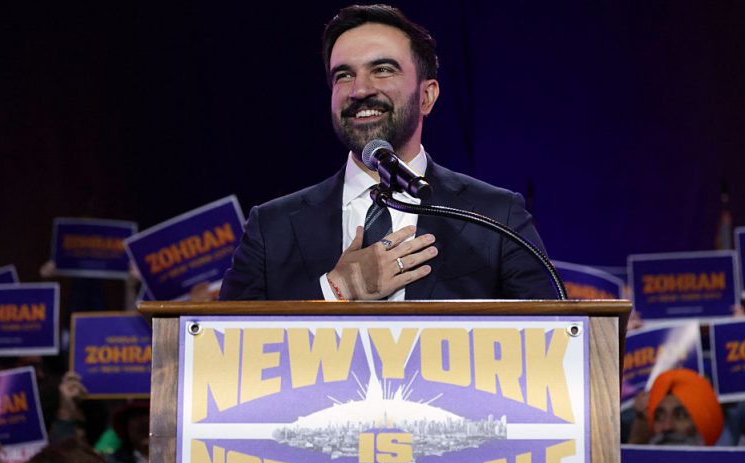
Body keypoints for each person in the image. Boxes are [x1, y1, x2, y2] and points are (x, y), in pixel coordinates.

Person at [220, 4, 556, 301]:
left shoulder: (496, 217)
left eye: (382, 69)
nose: (360, 90)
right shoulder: (271, 228)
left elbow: (555, 338)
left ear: (426, 97)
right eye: (344, 75)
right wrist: (334, 291)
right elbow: (221, 343)